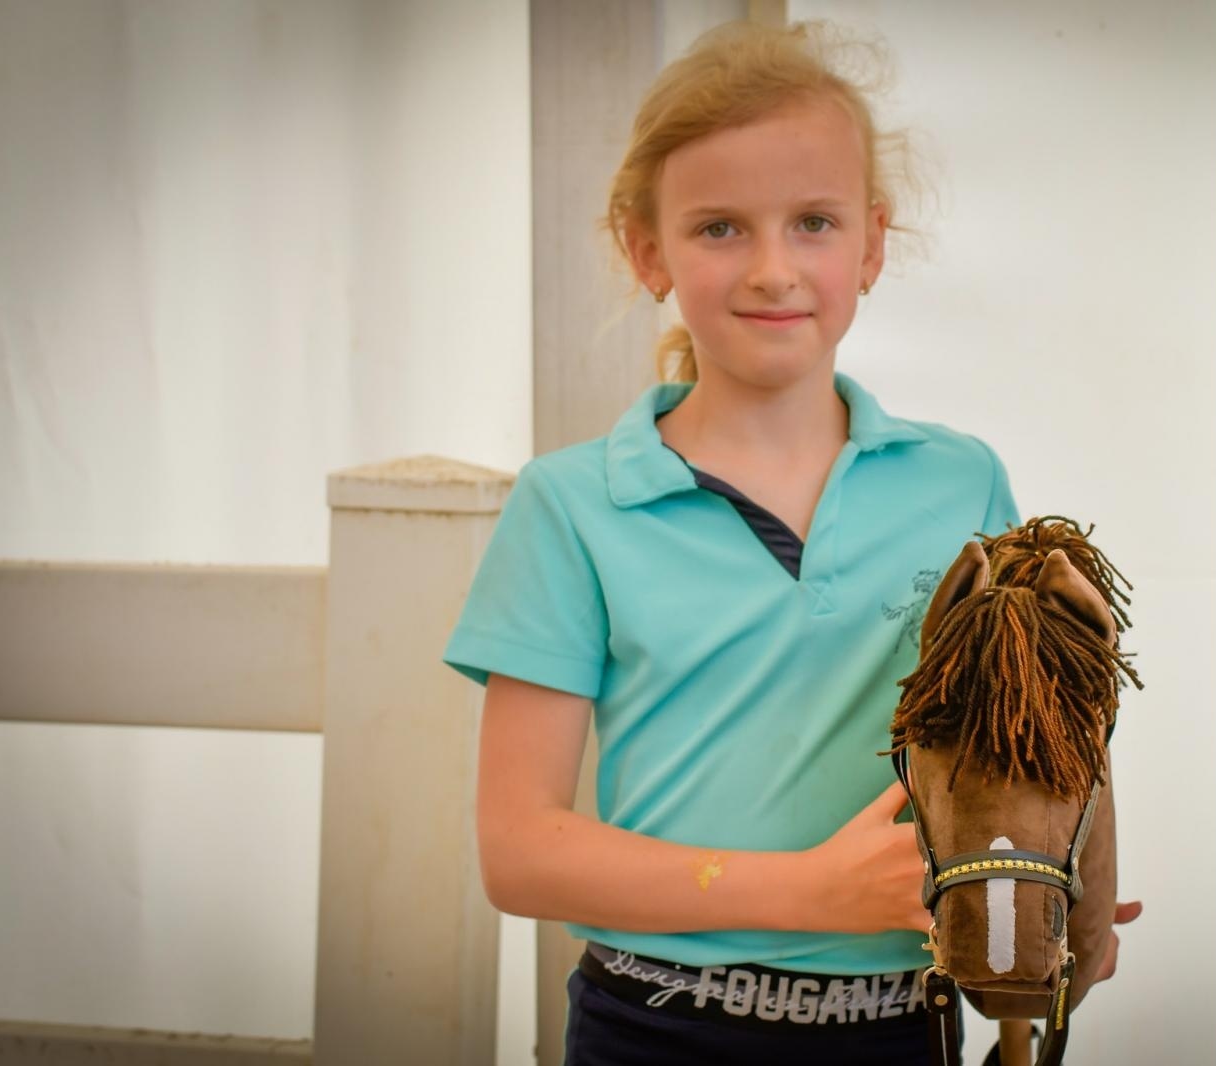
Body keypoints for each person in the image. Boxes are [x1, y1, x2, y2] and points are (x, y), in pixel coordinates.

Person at [443, 19, 1136, 1065]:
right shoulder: (570, 504)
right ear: (647, 251)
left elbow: (1017, 740)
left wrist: (1055, 882)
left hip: (905, 1027)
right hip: (651, 1029)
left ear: (870, 245)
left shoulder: (961, 482)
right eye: (720, 228)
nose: (773, 268)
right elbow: (519, 852)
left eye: (812, 222)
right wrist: (808, 890)